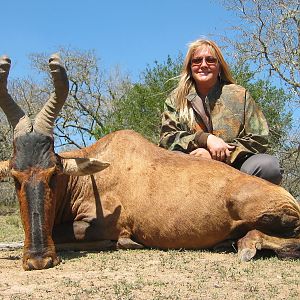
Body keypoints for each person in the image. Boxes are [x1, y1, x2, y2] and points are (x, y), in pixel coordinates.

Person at [159, 39, 283, 185]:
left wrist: (219, 155)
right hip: (191, 166)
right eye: (197, 61)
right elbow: (167, 138)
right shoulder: (176, 98)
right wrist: (204, 139)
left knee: (269, 167)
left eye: (210, 60)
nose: (203, 65)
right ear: (190, 67)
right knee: (170, 164)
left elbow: (259, 138)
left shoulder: (240, 94)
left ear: (219, 66)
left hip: (236, 166)